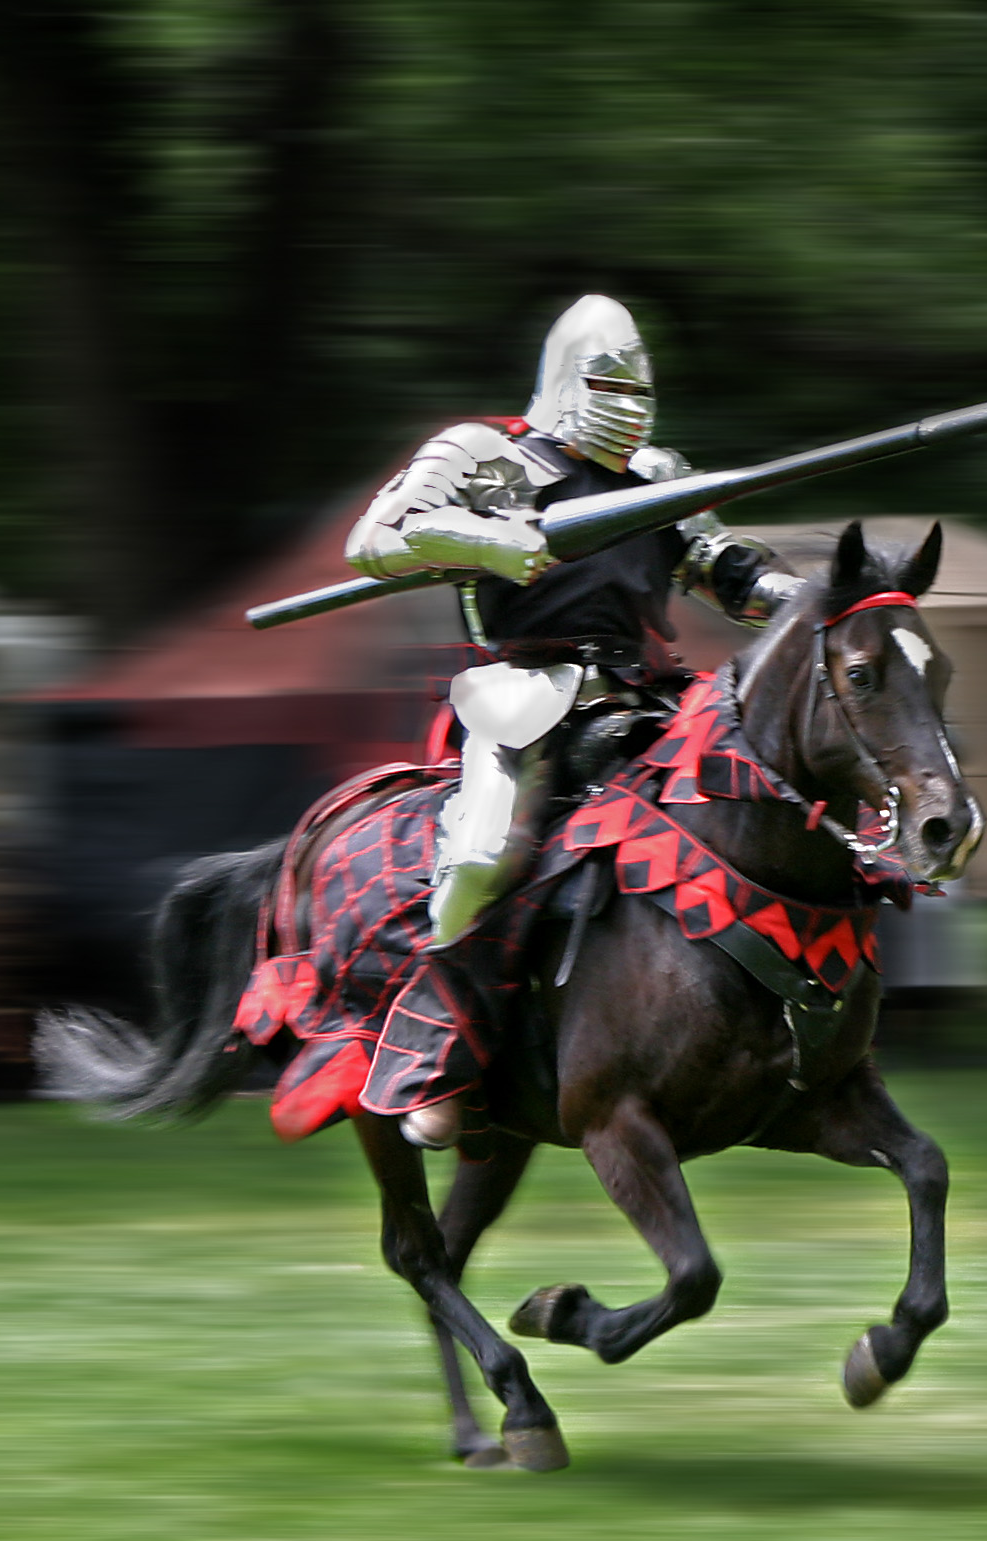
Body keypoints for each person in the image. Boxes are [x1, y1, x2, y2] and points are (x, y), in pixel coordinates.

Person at [342, 293, 799, 1144]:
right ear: (563, 378)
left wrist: (796, 598)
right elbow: (372, 542)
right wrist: (488, 540)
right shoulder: (485, 456)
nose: (625, 405)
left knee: (770, 799)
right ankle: (432, 1055)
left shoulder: (658, 476)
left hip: (651, 699)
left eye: (638, 388)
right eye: (606, 383)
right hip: (526, 698)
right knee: (481, 856)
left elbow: (719, 566)